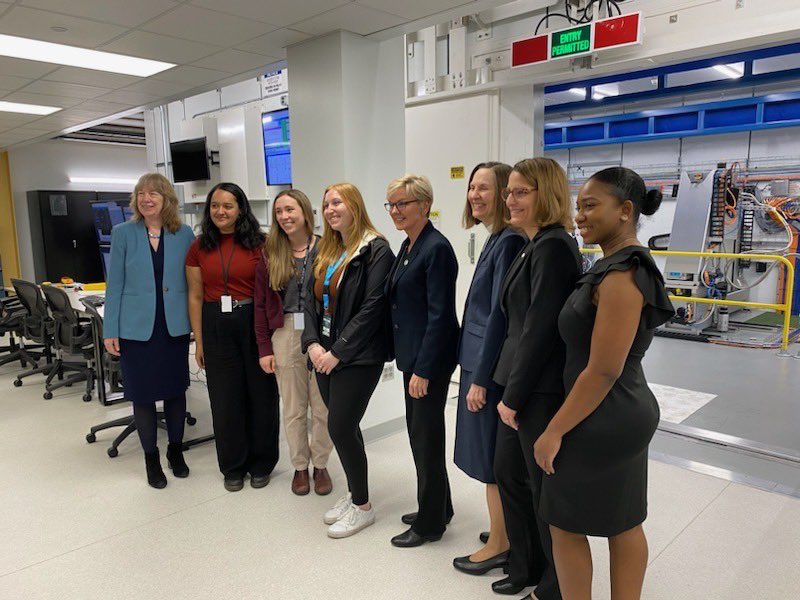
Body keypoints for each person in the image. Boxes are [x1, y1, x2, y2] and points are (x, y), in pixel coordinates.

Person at [534, 167, 674, 600]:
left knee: (565, 524)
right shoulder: (614, 264)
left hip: (603, 414)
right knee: (623, 519)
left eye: (591, 205)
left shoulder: (623, 274)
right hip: (617, 410)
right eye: (578, 206)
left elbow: (603, 369)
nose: (580, 215)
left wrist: (554, 430)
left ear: (626, 211)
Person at [490, 158, 582, 599]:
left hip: (537, 391)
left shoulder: (554, 247)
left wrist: (514, 395)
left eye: (521, 191)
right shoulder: (532, 243)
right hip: (518, 384)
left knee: (542, 492)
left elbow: (540, 328)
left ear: (545, 194)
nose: (511, 199)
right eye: (509, 191)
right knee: (509, 474)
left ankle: (554, 587)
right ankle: (525, 565)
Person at [302, 183, 394, 539]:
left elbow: (373, 308)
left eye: (337, 202)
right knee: (343, 425)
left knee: (339, 426)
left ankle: (363, 508)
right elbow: (308, 301)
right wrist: (311, 344)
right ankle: (356, 493)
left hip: (356, 356)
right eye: (325, 204)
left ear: (355, 204)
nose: (330, 209)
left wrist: (337, 351)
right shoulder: (326, 248)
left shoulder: (376, 249)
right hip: (322, 353)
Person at [452, 162, 525, 575]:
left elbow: (500, 316)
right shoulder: (496, 237)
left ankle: (500, 543)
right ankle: (503, 529)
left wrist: (480, 379)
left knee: (490, 460)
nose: (475, 195)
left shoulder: (510, 241)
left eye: (484, 188)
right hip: (480, 362)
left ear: (503, 193)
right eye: (471, 188)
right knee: (487, 456)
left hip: (488, 369)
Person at [186, 182, 280, 492]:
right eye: (215, 206)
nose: (220, 211)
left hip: (254, 322)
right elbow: (196, 296)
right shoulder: (199, 247)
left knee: (261, 395)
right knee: (225, 400)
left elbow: (272, 290)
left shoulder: (262, 243)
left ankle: (262, 463)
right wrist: (199, 341)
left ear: (241, 209)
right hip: (216, 324)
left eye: (228, 205)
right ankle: (233, 466)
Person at [104, 173, 195, 489]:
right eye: (141, 193)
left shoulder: (184, 234)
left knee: (175, 390)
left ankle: (175, 451)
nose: (146, 198)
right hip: (135, 328)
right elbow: (114, 284)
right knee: (141, 394)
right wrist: (110, 328)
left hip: (173, 326)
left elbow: (193, 283)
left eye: (153, 193)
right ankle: (151, 458)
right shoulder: (123, 233)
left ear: (166, 198)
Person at [385, 174, 459, 548]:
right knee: (420, 437)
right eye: (392, 204)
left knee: (426, 440)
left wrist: (425, 370)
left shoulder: (436, 248)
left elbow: (440, 315)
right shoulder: (410, 245)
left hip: (427, 362)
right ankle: (438, 505)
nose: (395, 211)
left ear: (424, 206)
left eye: (402, 204)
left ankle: (430, 524)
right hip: (411, 357)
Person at [256, 189, 334, 496]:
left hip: (322, 332)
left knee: (322, 406)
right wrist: (264, 348)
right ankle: (300, 467)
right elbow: (261, 304)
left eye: (290, 210)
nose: (285, 217)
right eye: (279, 212)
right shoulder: (271, 252)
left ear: (304, 211)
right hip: (285, 331)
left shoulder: (327, 248)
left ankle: (322, 464)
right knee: (293, 406)